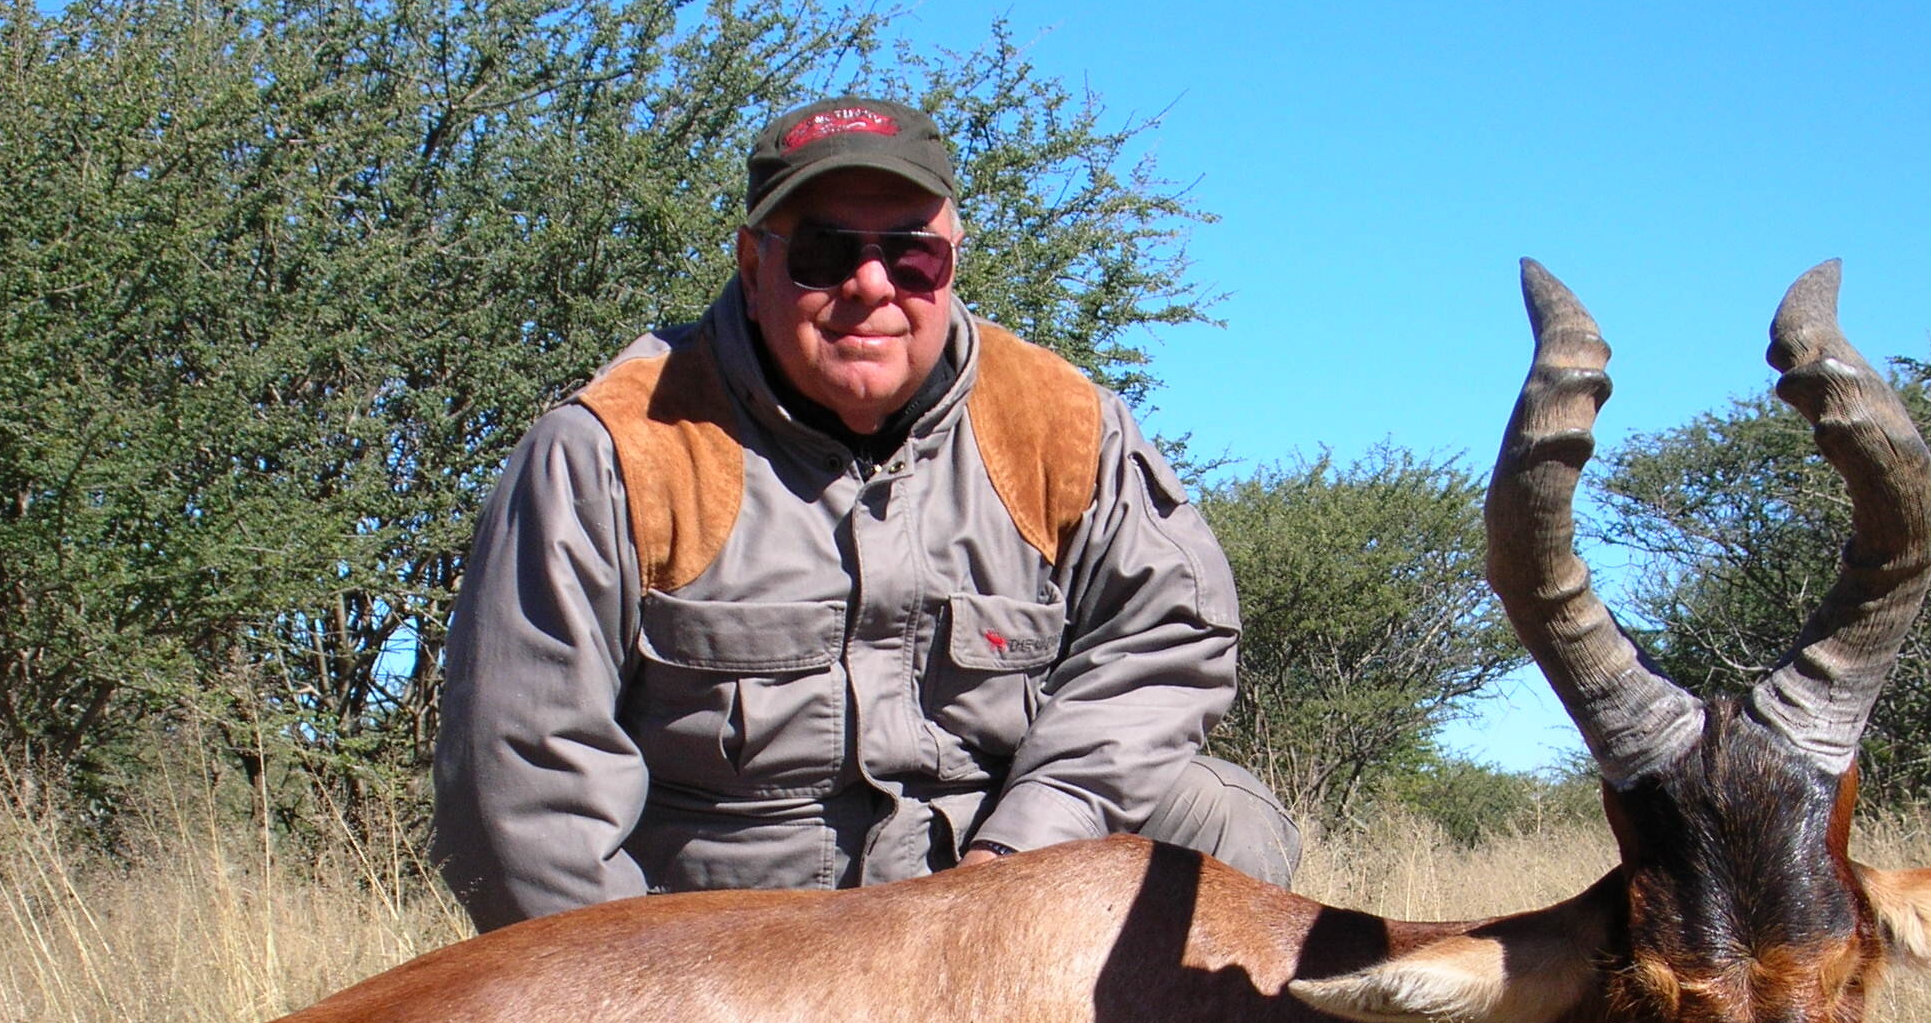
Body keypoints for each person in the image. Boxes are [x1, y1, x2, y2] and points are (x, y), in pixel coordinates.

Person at [433, 95, 1298, 930]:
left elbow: (1167, 638)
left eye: (912, 254)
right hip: (735, 930)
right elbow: (522, 788)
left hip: (996, 888)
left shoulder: (1064, 426)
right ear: (752, 262)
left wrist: (1020, 859)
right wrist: (652, 1016)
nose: (872, 285)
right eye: (825, 252)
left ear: (953, 260)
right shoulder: (611, 450)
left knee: (1226, 828)